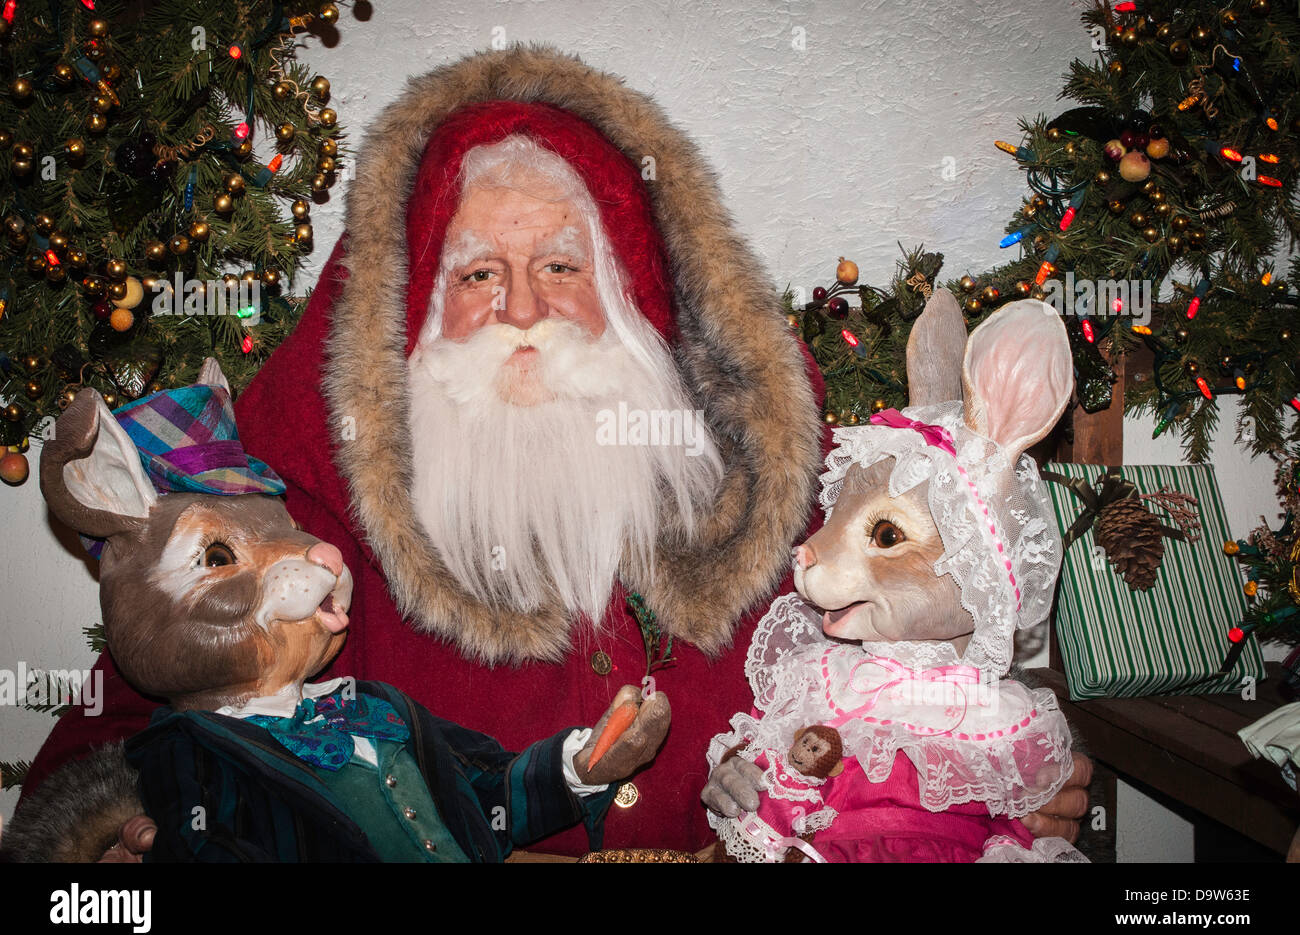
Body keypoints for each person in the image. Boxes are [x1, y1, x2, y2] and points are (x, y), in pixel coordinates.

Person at [17, 44, 1089, 857]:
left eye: (564, 266)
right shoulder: (304, 507)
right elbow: (128, 710)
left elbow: (927, 664)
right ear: (411, 310)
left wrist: (1002, 787)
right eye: (477, 273)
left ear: (633, 298)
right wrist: (110, 843)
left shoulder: (781, 496)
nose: (522, 308)